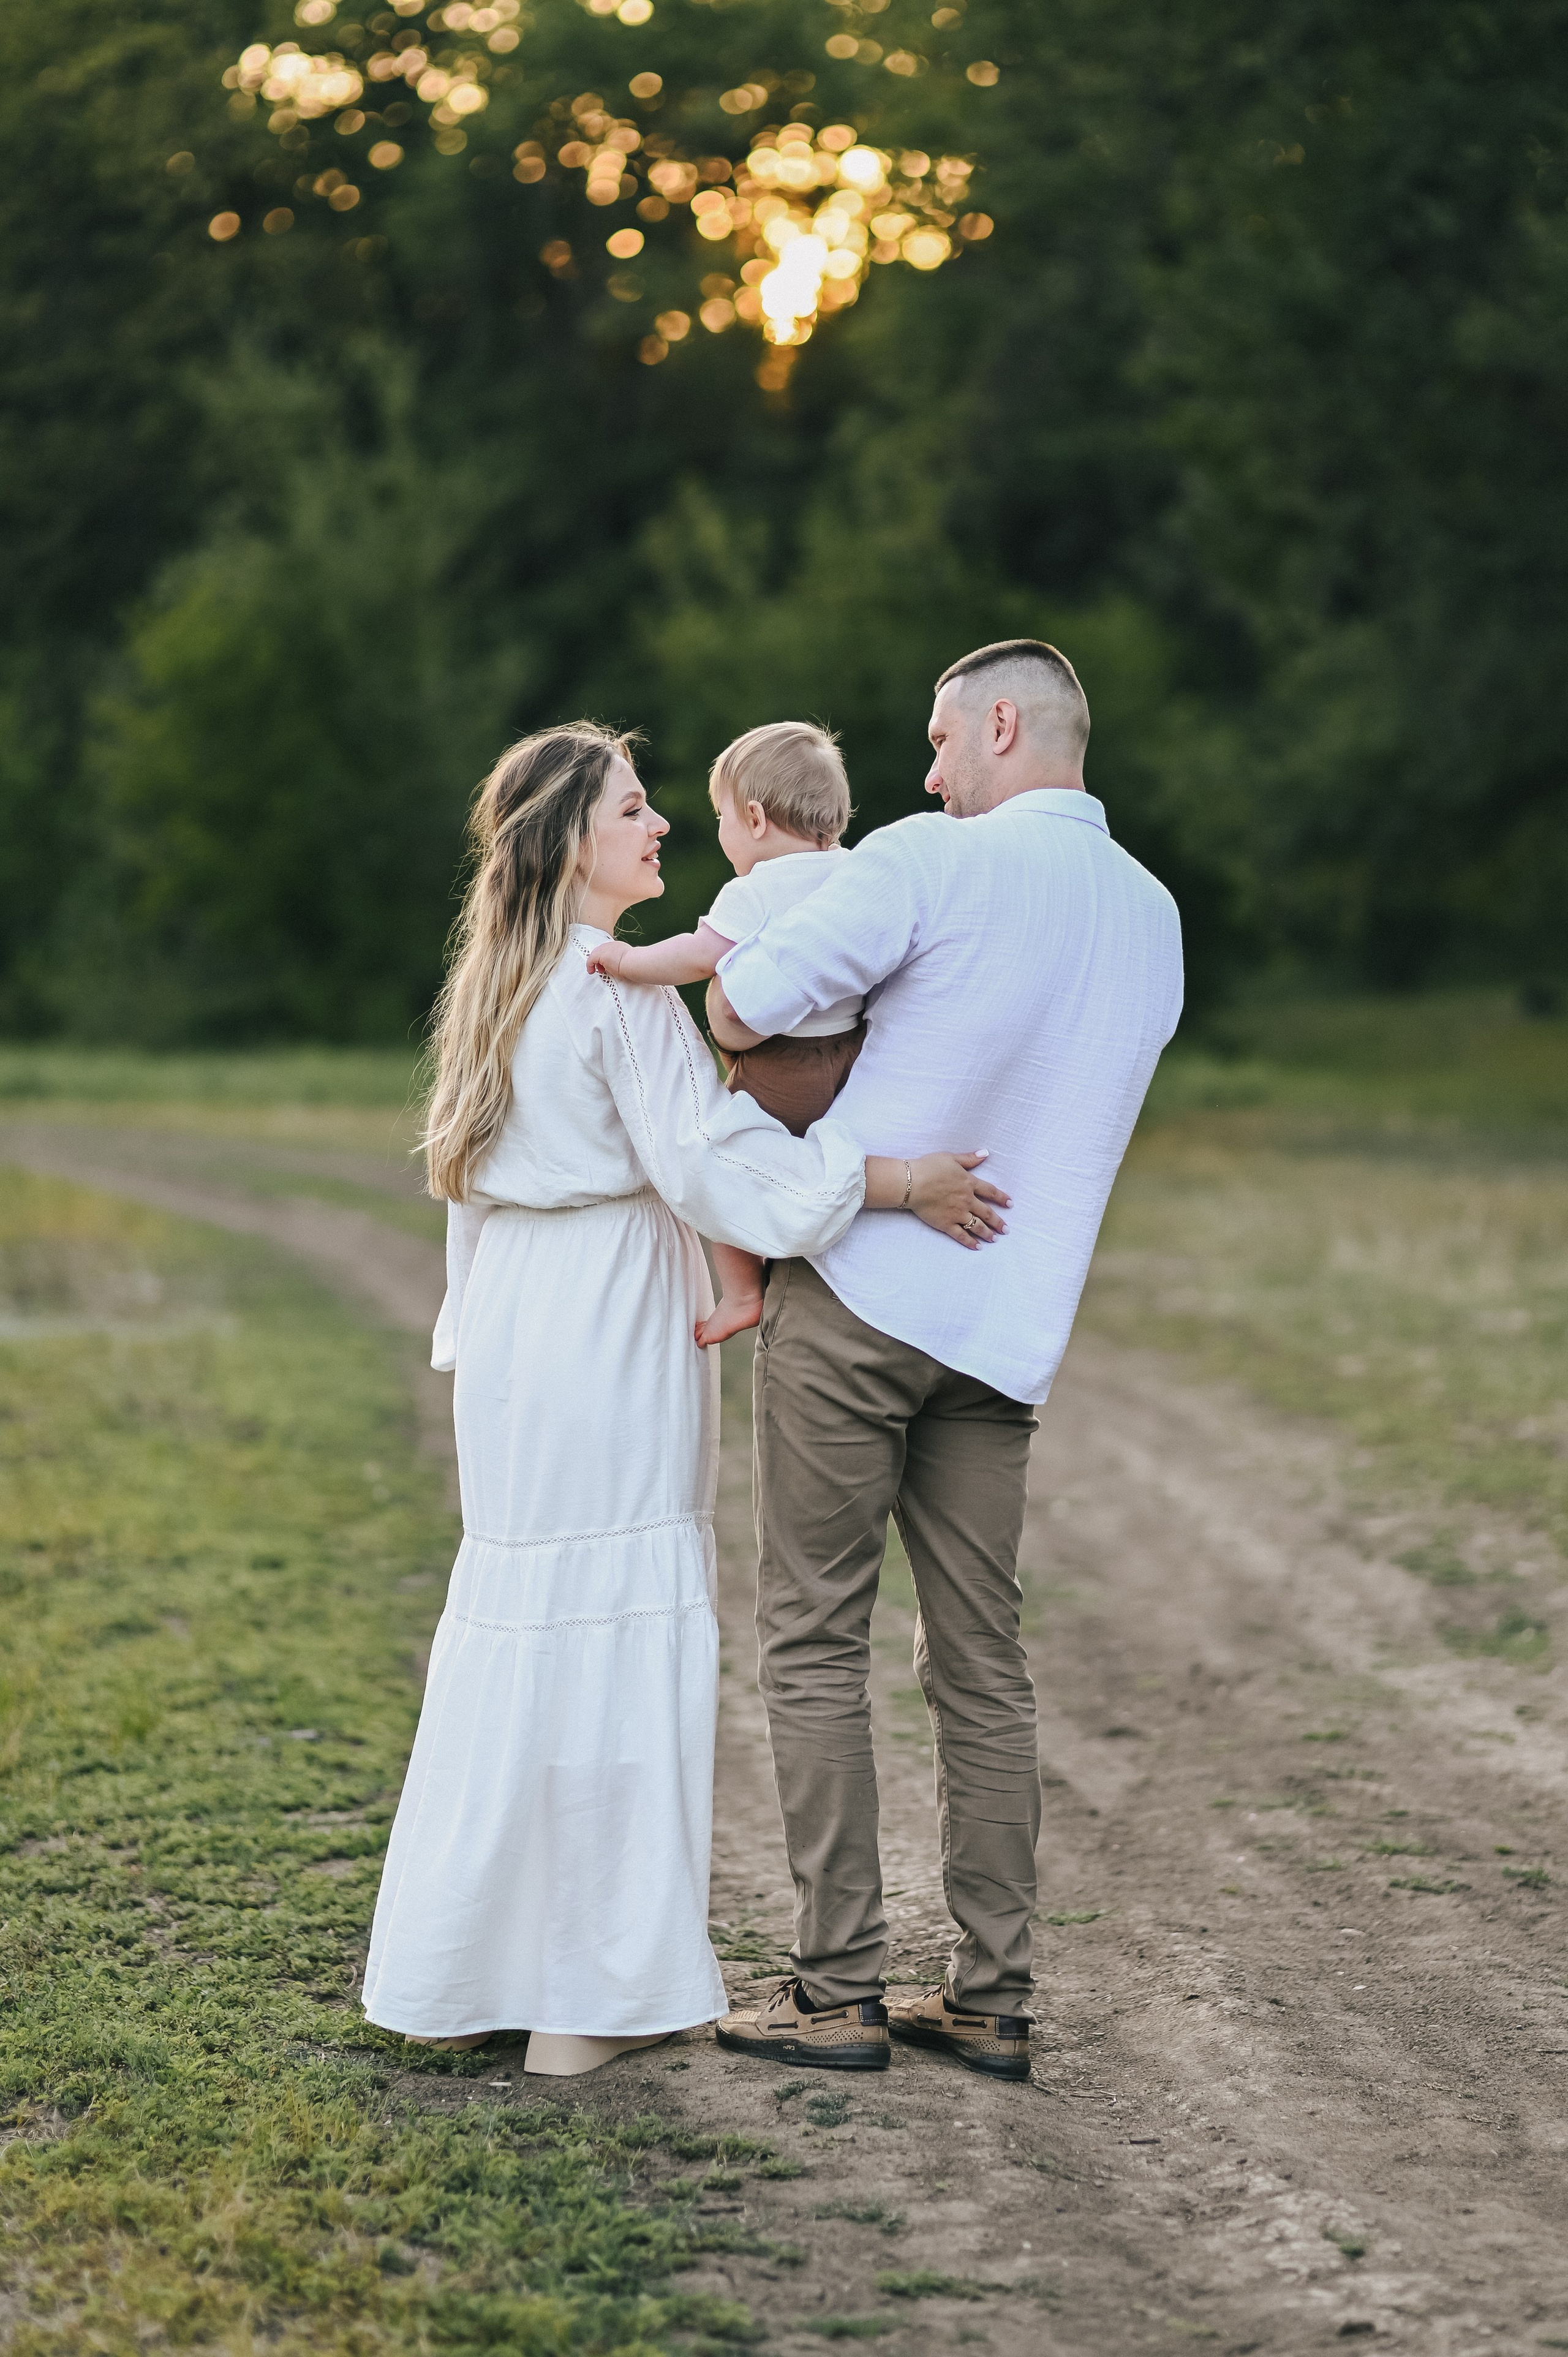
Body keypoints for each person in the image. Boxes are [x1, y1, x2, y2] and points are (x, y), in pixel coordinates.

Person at [360, 722, 1008, 2077]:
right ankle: (588, 2002)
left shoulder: (498, 980)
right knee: (608, 1624)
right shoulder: (616, 994)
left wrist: (469, 1340)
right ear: (567, 840)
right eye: (633, 809)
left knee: (526, 1621)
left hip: (525, 1335)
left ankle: (474, 1970)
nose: (659, 827)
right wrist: (894, 1181)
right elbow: (709, 1161)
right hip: (605, 1314)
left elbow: (471, 1201)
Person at [706, 641, 1184, 2081]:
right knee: (981, 1660)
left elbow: (745, 1005)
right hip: (1005, 1338)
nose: (920, 774)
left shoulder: (929, 857)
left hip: (857, 1294)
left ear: (995, 724)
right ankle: (991, 1995)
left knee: (811, 1633)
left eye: (934, 740)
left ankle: (835, 1988)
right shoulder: (1154, 917)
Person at [587, 720, 863, 1347]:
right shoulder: (861, 872)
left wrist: (626, 961)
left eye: (722, 817)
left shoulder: (756, 890)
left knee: (731, 1155)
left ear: (756, 818)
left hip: (781, 1066)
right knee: (838, 1157)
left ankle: (742, 1290)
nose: (719, 833)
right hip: (855, 1055)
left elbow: (697, 955)